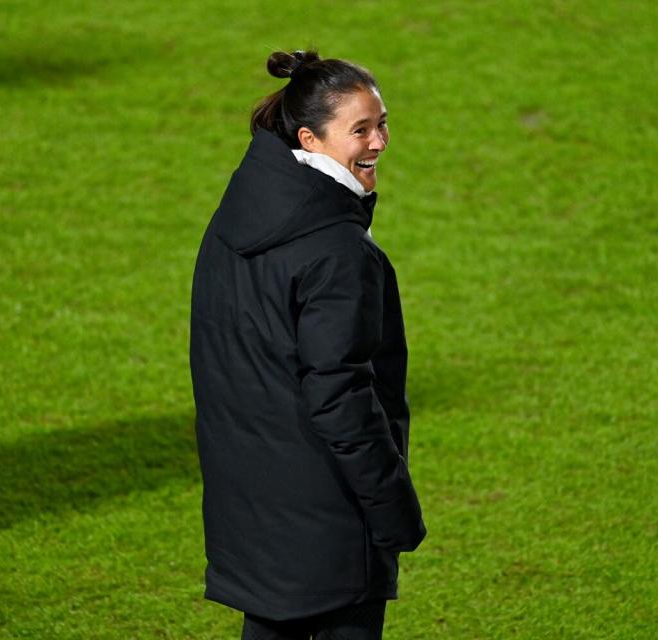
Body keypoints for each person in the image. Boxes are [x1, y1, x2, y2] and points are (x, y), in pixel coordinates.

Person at [190, 49, 427, 640]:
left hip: (254, 510)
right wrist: (392, 506)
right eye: (361, 130)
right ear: (309, 139)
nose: (380, 141)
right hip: (330, 525)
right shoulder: (339, 253)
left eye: (382, 123)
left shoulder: (235, 219)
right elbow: (340, 395)